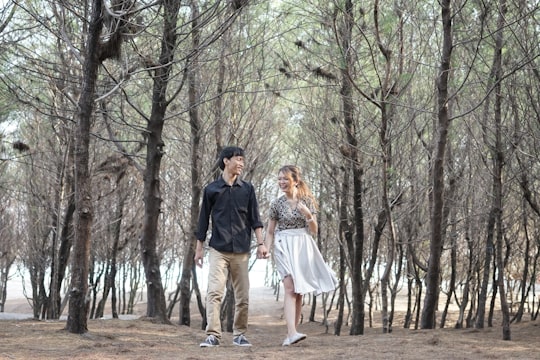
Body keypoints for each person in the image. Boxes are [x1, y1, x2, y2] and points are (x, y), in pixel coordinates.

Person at [194, 146, 267, 348]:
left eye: (243, 160)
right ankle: (213, 335)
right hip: (218, 249)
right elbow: (202, 222)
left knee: (242, 295)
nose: (242, 163)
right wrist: (199, 249)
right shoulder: (211, 190)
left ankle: (240, 334)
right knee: (215, 292)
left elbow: (256, 219)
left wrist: (261, 244)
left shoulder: (248, 189)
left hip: (242, 250)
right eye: (238, 159)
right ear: (226, 161)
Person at [263, 165, 337, 346]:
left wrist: (308, 214)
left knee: (299, 290)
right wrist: (265, 247)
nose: (282, 182)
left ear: (295, 181)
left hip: (303, 245)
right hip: (283, 245)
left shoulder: (307, 202)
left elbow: (314, 230)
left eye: (285, 179)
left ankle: (291, 334)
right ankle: (292, 332)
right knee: (289, 288)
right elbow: (271, 231)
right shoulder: (276, 204)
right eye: (279, 179)